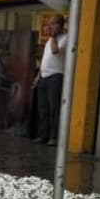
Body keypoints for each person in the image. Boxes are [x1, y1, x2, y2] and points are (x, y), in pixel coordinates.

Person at [32, 15, 67, 145]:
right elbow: (45, 59)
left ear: (60, 25)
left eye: (53, 24)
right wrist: (38, 77)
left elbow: (55, 51)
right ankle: (43, 135)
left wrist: (53, 36)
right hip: (44, 76)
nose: (50, 26)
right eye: (50, 24)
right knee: (43, 108)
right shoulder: (49, 40)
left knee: (54, 108)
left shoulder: (66, 38)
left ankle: (54, 137)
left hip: (56, 76)